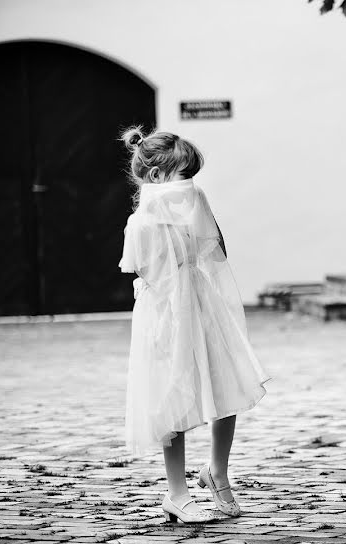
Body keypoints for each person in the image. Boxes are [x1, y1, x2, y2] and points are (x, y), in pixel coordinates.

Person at [119, 127, 269, 523]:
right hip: (166, 310)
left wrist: (200, 215)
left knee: (226, 384)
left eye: (192, 176)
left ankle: (217, 470)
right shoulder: (142, 220)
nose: (190, 184)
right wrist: (162, 223)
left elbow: (215, 251)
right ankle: (177, 492)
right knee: (175, 393)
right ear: (155, 178)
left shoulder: (192, 203)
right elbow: (144, 269)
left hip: (201, 302)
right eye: (183, 175)